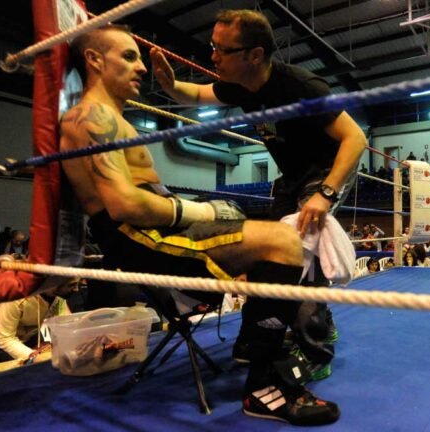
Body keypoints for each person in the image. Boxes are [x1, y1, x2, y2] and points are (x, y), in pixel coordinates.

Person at [61, 25, 339, 425]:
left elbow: (146, 194)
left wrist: (198, 207)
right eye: (128, 56)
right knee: (282, 243)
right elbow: (123, 204)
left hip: (157, 228)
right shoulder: (90, 116)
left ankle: (259, 349)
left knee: (283, 237)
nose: (140, 67)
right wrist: (203, 212)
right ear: (94, 60)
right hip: (137, 238)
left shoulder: (112, 118)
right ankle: (264, 383)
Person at [151, 9, 366, 385]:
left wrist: (326, 195)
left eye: (222, 49)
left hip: (326, 171)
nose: (213, 57)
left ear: (254, 55)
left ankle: (315, 351)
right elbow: (198, 93)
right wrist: (170, 86)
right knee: (276, 255)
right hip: (291, 178)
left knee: (305, 254)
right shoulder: (238, 84)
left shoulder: (301, 86)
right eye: (212, 47)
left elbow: (356, 138)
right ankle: (309, 327)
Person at [0, 277, 79, 366]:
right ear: (53, 283)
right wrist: (34, 356)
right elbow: (5, 338)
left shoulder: (57, 295)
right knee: (25, 371)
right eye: (71, 285)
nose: (76, 289)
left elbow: (66, 323)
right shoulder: (17, 296)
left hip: (27, 333)